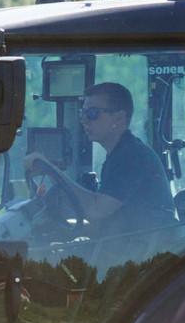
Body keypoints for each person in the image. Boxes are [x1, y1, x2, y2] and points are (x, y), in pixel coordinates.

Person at [26, 81, 172, 233]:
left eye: (92, 113)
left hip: (153, 246)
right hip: (133, 241)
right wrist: (60, 228)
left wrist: (51, 170)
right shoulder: (118, 154)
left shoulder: (132, 156)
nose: (84, 120)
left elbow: (96, 210)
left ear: (119, 119)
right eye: (82, 113)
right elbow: (103, 223)